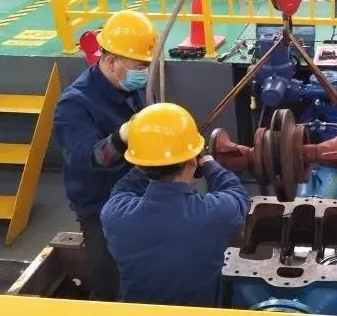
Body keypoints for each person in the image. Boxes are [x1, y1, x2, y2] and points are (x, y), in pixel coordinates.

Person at [100, 103, 250, 306]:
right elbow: (237, 194)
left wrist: (149, 157)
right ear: (192, 162)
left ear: (140, 164)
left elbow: (122, 189)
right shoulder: (216, 213)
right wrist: (208, 163)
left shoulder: (114, 215)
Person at [53, 10, 156, 301]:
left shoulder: (132, 86)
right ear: (111, 62)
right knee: (111, 283)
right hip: (100, 208)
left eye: (147, 66)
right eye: (140, 66)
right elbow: (91, 160)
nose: (144, 73)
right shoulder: (74, 106)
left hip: (139, 194)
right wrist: (123, 136)